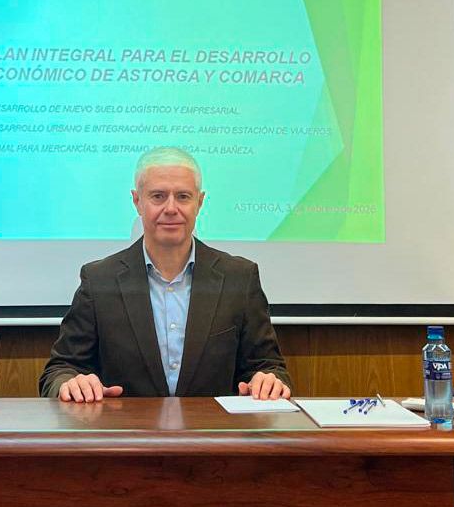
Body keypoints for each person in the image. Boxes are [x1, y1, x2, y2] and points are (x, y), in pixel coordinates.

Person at [39, 147, 292, 402]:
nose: (171, 208)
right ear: (137, 201)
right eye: (158, 196)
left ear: (199, 202)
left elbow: (270, 367)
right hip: (129, 437)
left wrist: (269, 381)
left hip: (213, 436)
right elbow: (59, 370)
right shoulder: (99, 280)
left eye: (183, 196)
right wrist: (70, 384)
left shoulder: (239, 278)